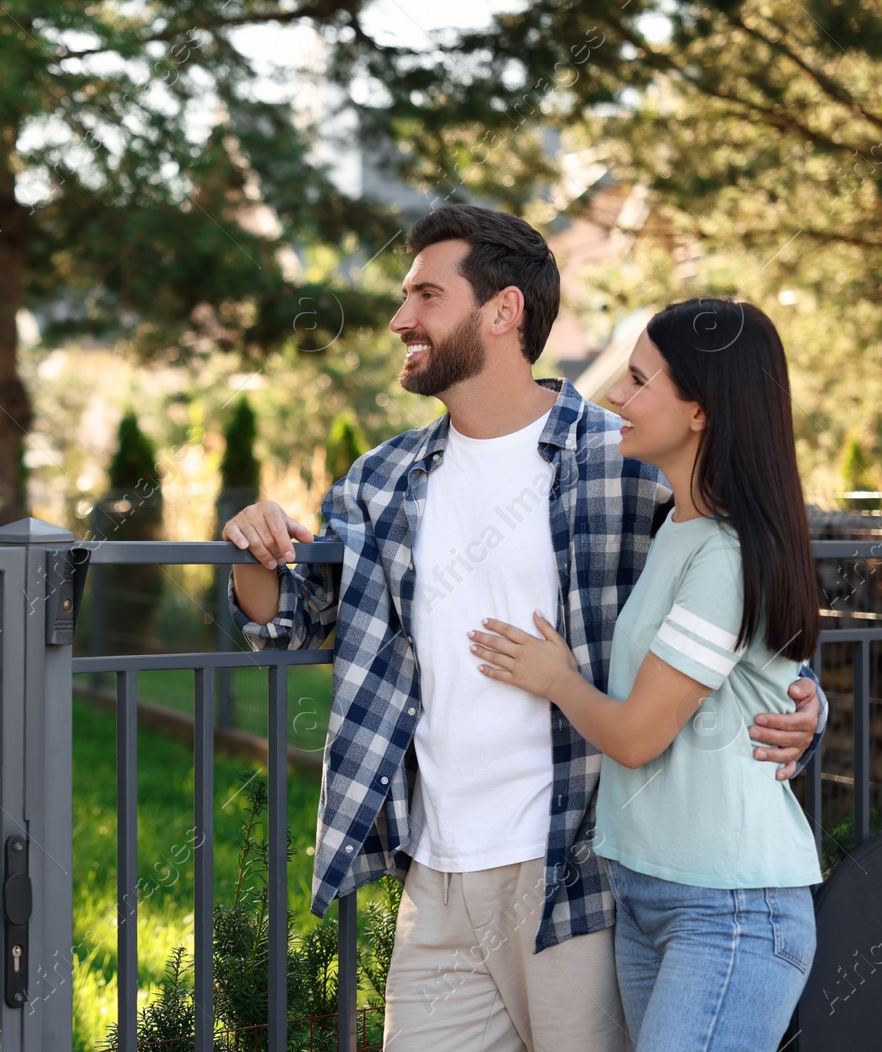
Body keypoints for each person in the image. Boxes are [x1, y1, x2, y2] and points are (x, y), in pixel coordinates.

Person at [223, 204, 824, 1051]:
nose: (401, 318)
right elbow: (289, 622)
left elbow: (749, 585)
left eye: (426, 294)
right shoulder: (383, 478)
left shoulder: (626, 462)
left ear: (502, 312)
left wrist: (808, 703)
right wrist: (256, 547)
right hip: (436, 870)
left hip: (578, 875)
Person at [469, 298, 821, 1050]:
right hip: (649, 897)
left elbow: (635, 737)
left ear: (701, 409)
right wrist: (810, 701)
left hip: (727, 909)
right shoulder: (676, 528)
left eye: (637, 380)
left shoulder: (723, 554)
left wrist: (556, 677)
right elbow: (769, 677)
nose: (615, 398)